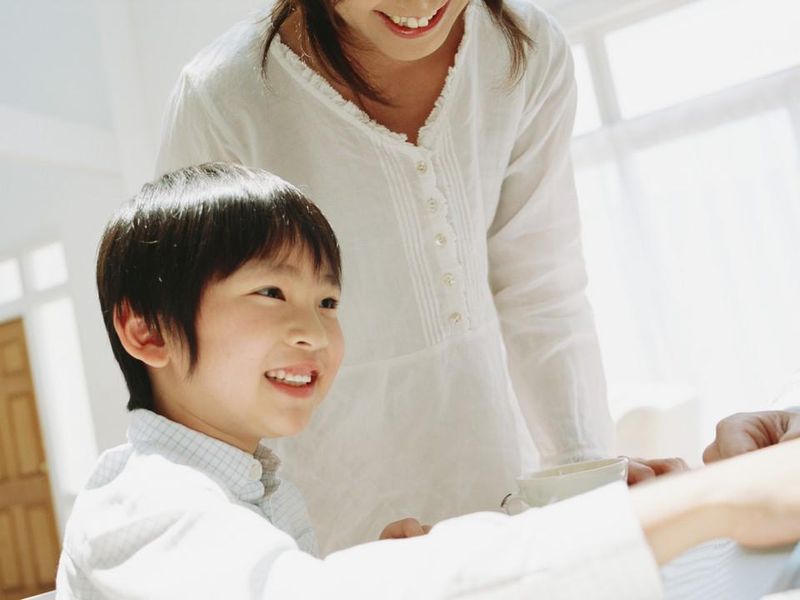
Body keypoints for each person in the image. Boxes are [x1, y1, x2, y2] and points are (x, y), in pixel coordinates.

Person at [56, 163, 800, 599]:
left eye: (328, 302)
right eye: (271, 293)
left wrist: (380, 565)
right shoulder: (140, 504)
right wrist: (702, 503)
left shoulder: (244, 482)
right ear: (146, 331)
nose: (314, 331)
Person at [155, 0, 683, 553]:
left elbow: (541, 288)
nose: (421, 6)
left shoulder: (525, 49)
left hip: (506, 495)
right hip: (329, 536)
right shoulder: (221, 99)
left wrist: (582, 473)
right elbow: (200, 377)